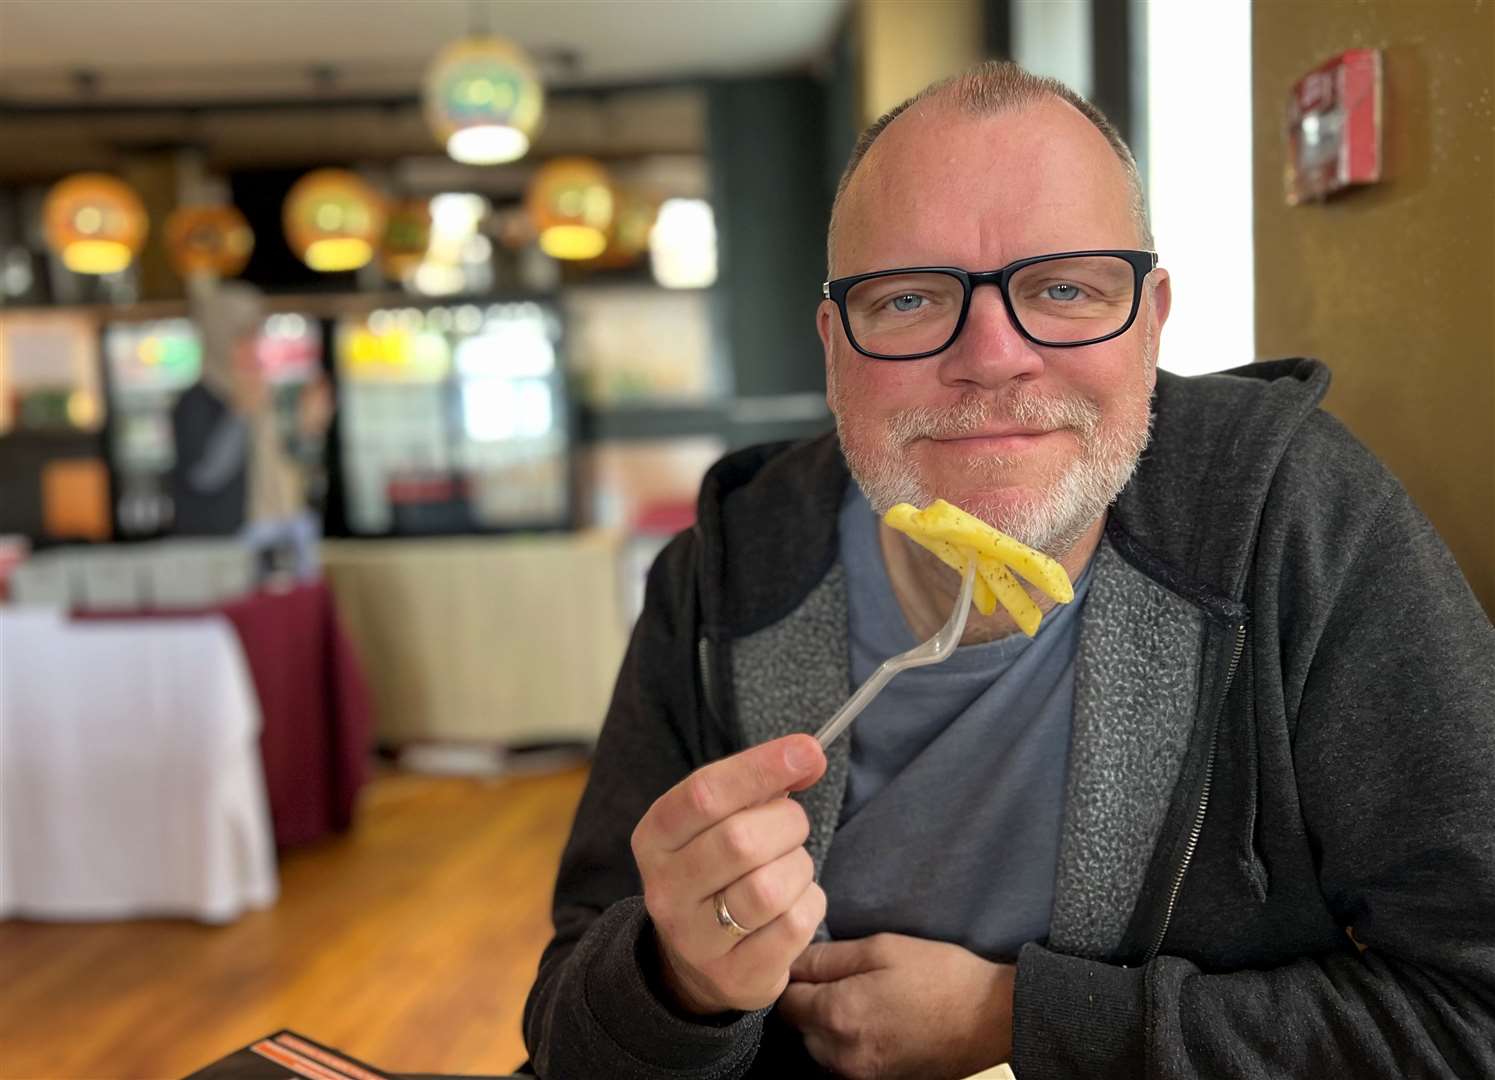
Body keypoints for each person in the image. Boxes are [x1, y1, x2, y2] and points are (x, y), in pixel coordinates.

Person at [522, 60, 1495, 1079]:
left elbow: (1469, 1011)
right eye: (906, 300)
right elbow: (568, 1036)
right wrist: (675, 982)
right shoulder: (722, 578)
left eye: (1064, 288)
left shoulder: (1294, 523)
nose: (992, 356)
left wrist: (1017, 1019)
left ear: (1152, 318)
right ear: (831, 346)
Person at [172, 281, 323, 581]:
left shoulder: (265, 394)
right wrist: (239, 414)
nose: (252, 348)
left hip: (284, 533)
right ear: (219, 338)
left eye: (255, 337)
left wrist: (309, 428)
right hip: (225, 550)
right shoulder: (196, 401)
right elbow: (204, 475)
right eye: (242, 338)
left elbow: (295, 464)